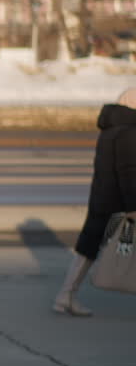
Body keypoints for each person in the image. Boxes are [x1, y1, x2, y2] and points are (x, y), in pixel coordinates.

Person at [54, 86, 136, 315]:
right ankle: (66, 295)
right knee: (116, 250)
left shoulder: (110, 129)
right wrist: (133, 208)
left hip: (102, 198)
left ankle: (65, 295)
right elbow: (129, 172)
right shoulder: (129, 132)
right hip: (120, 205)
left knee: (88, 250)